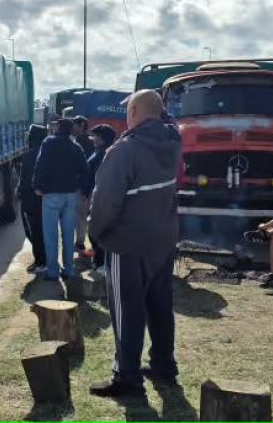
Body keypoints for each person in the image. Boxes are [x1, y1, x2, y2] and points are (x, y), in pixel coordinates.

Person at [88, 90, 182, 399]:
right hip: (163, 240)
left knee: (127, 311)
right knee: (160, 306)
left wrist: (96, 233)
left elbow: (105, 202)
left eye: (129, 110)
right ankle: (163, 366)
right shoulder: (173, 141)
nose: (126, 116)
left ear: (136, 110)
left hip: (127, 245)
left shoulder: (125, 150)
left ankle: (126, 376)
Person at [33, 118, 90, 281]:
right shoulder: (76, 147)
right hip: (71, 195)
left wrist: (37, 185)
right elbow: (85, 169)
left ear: (58, 128)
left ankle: (52, 271)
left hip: (51, 195)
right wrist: (84, 189)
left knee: (50, 235)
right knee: (67, 234)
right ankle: (68, 270)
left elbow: (40, 164)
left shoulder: (48, 143)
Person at [85, 124, 117, 275]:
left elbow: (97, 180)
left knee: (96, 231)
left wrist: (89, 195)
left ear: (103, 139)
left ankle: (101, 264)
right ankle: (100, 262)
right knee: (95, 231)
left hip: (98, 198)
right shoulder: (101, 152)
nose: (93, 139)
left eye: (96, 136)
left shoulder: (103, 155)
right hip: (96, 197)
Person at [18, 124, 49, 273]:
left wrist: (20, 194)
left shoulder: (29, 155)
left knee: (34, 231)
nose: (27, 137)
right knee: (43, 230)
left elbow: (25, 179)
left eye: (29, 135)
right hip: (45, 199)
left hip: (31, 199)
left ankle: (41, 262)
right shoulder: (47, 152)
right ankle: (44, 260)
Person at [72, 116, 94, 253]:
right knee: (84, 215)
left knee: (80, 215)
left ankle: (80, 243)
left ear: (81, 125)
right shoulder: (90, 142)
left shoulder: (80, 142)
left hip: (81, 186)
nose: (72, 127)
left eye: (75, 124)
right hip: (88, 185)